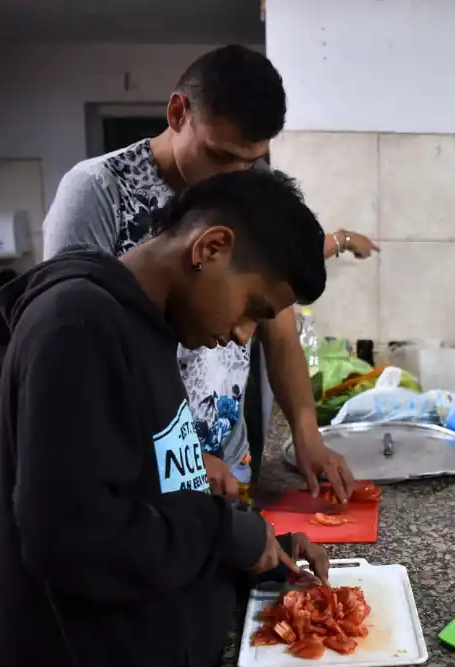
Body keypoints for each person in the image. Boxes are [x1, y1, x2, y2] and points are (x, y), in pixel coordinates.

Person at [0, 169, 332, 667]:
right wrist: (222, 530)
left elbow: (154, 490)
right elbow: (72, 540)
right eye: (252, 308)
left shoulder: (140, 327)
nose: (242, 336)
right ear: (210, 248)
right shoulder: (77, 326)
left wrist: (260, 545)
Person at [43, 45, 376, 504]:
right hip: (142, 471)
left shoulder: (246, 192)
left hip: (227, 463)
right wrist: (183, 458)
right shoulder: (98, 191)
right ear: (179, 112)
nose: (236, 175)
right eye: (221, 156)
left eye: (251, 161)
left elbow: (278, 331)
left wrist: (307, 433)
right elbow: (77, 359)